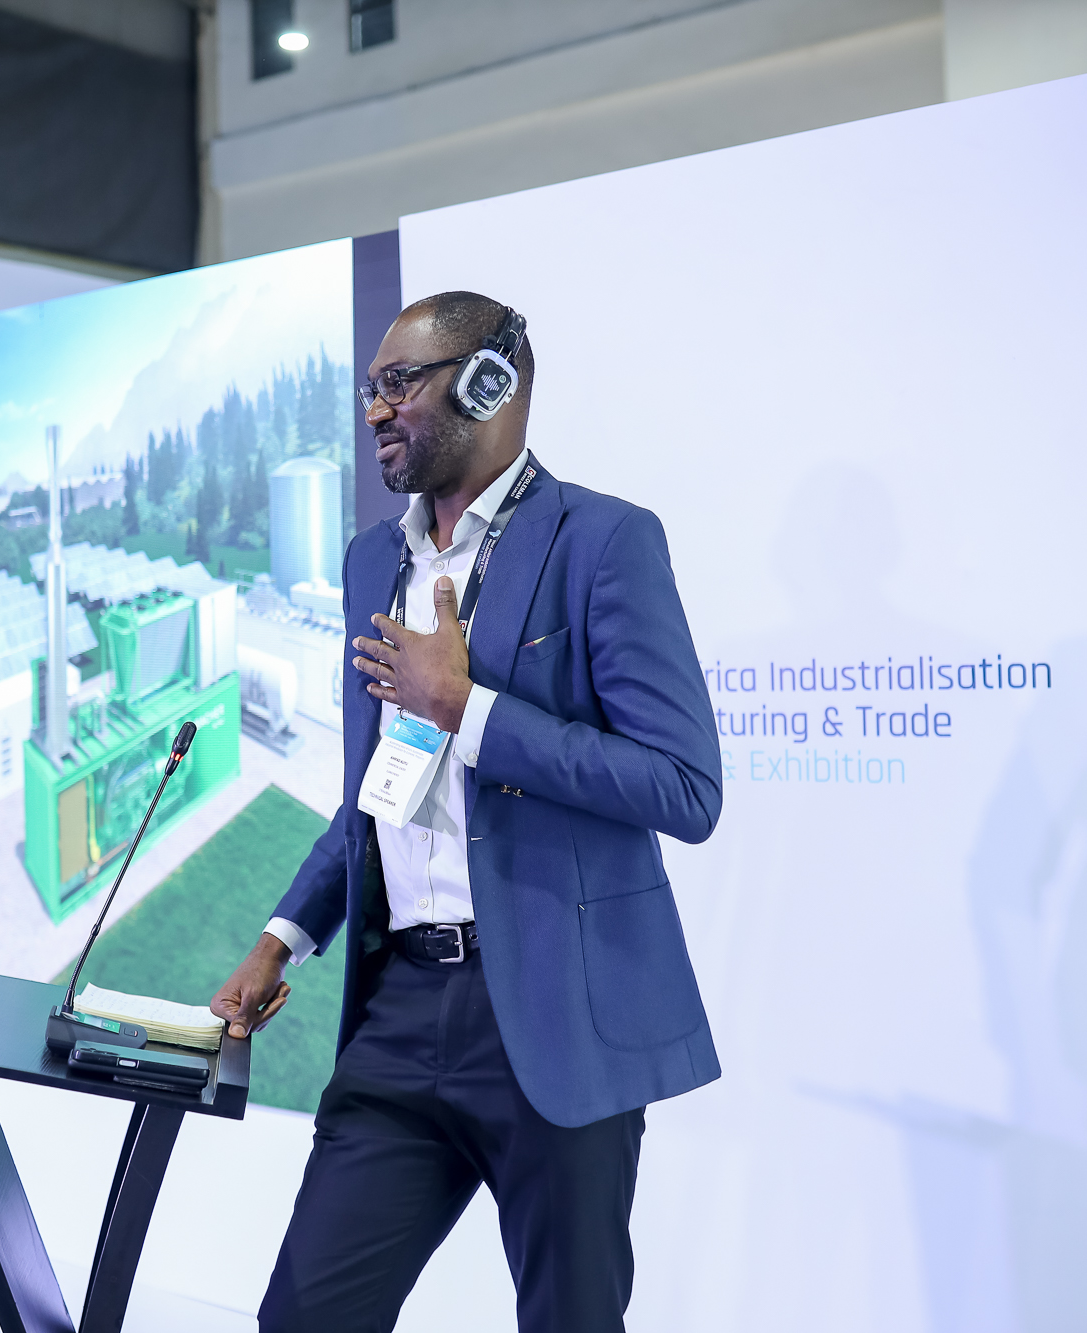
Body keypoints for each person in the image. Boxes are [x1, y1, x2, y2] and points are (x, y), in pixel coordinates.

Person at [209, 291, 724, 1333]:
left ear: (489, 384)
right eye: (370, 387)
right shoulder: (372, 560)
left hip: (554, 1011)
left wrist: (469, 709)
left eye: (399, 382)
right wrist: (282, 935)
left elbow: (682, 785)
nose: (374, 409)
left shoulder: (604, 541)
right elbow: (375, 792)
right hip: (400, 1011)